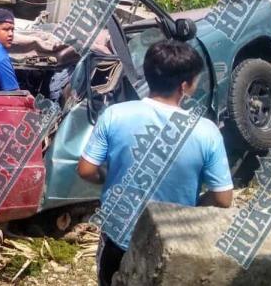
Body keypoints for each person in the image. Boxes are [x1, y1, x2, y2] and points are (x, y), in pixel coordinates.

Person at [77, 40, 233, 286]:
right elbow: (223, 199)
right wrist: (190, 208)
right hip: (172, 240)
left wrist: (110, 177)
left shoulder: (115, 114)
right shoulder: (206, 132)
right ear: (185, 86)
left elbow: (86, 170)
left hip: (118, 235)